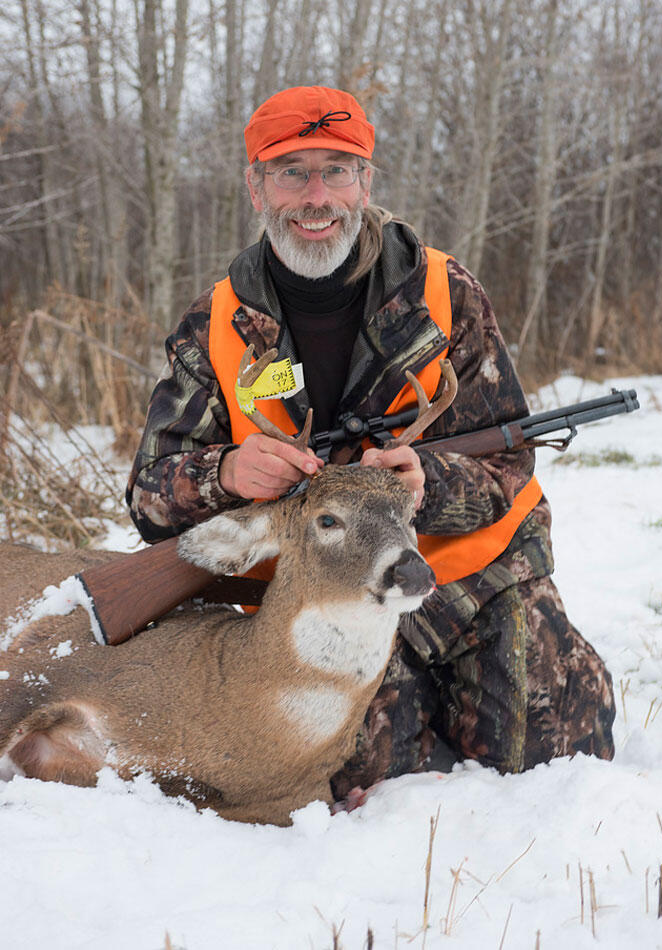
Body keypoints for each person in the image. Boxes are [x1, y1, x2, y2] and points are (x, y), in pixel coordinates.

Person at [126, 85, 615, 800]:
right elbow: (149, 496)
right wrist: (226, 471)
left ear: (366, 182)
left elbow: (510, 457)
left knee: (564, 752)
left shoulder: (443, 291)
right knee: (356, 782)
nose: (316, 195)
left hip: (471, 573)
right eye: (292, 171)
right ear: (255, 186)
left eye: (337, 169)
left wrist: (431, 483)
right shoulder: (219, 322)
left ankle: (466, 681)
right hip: (328, 592)